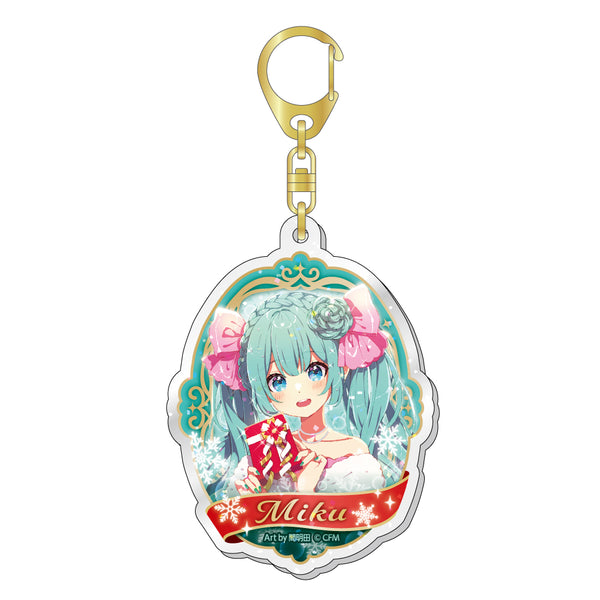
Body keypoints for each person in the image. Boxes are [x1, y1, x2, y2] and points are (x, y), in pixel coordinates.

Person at [201, 285, 418, 498]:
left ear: (340, 366)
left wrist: (304, 492)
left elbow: (360, 515)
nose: (298, 389)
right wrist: (253, 497)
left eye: (314, 371)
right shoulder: (269, 448)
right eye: (277, 381)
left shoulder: (353, 451)